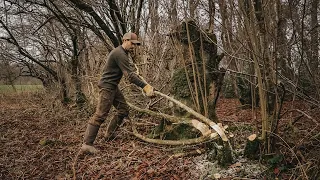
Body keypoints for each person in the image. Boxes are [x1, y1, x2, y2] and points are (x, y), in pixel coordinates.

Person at [81, 32, 155, 154]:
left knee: (123, 110)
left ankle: (110, 134)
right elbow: (130, 76)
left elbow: (130, 73)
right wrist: (145, 86)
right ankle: (87, 145)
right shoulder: (119, 53)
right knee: (100, 115)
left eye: (135, 44)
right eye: (132, 43)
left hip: (113, 86)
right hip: (107, 87)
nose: (133, 47)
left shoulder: (123, 53)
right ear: (125, 40)